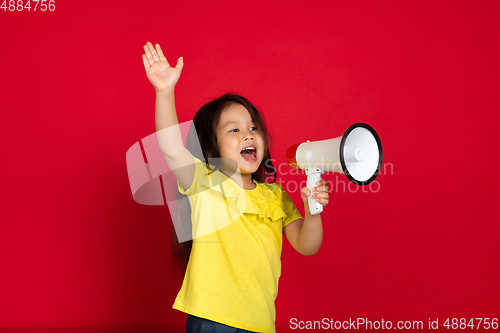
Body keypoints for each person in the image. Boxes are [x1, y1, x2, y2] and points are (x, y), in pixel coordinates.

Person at [142, 41, 330, 333]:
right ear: (211, 146)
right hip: (213, 319)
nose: (248, 135)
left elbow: (307, 246)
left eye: (254, 127)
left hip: (261, 323)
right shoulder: (202, 181)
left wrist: (313, 213)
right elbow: (169, 147)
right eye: (234, 129)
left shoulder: (275, 196)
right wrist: (165, 92)